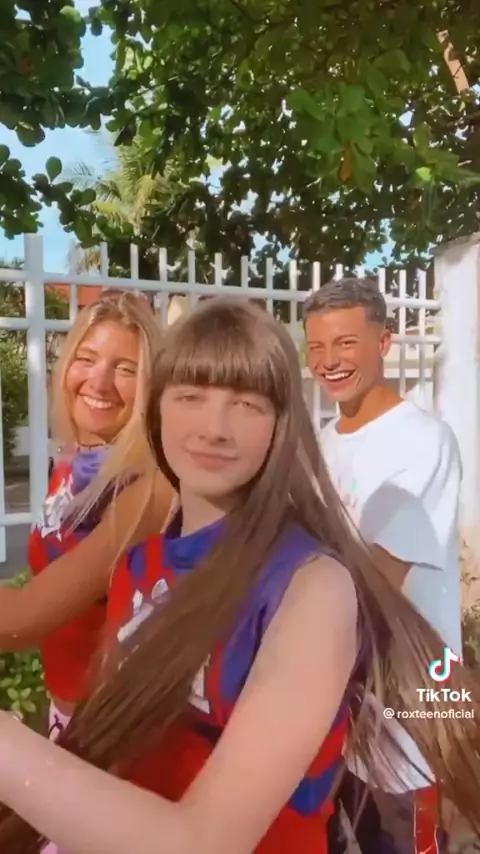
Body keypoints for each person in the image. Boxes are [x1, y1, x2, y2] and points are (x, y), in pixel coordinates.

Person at [0, 297, 477, 854]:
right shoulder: (138, 567)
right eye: (190, 396)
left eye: (247, 403)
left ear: (281, 425)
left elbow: (205, 841)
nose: (215, 428)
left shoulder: (312, 588)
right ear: (156, 410)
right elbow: (104, 748)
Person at [303, 277, 462, 854]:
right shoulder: (323, 440)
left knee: (405, 838)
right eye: (316, 347)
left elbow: (377, 578)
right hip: (342, 696)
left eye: (345, 343)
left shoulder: (424, 440)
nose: (329, 361)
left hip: (410, 700)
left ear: (384, 342)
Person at [0, 291, 173, 740]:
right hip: (67, 708)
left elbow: (23, 619)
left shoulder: (147, 487)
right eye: (87, 358)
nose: (99, 381)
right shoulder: (77, 461)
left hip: (114, 731)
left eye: (126, 369)